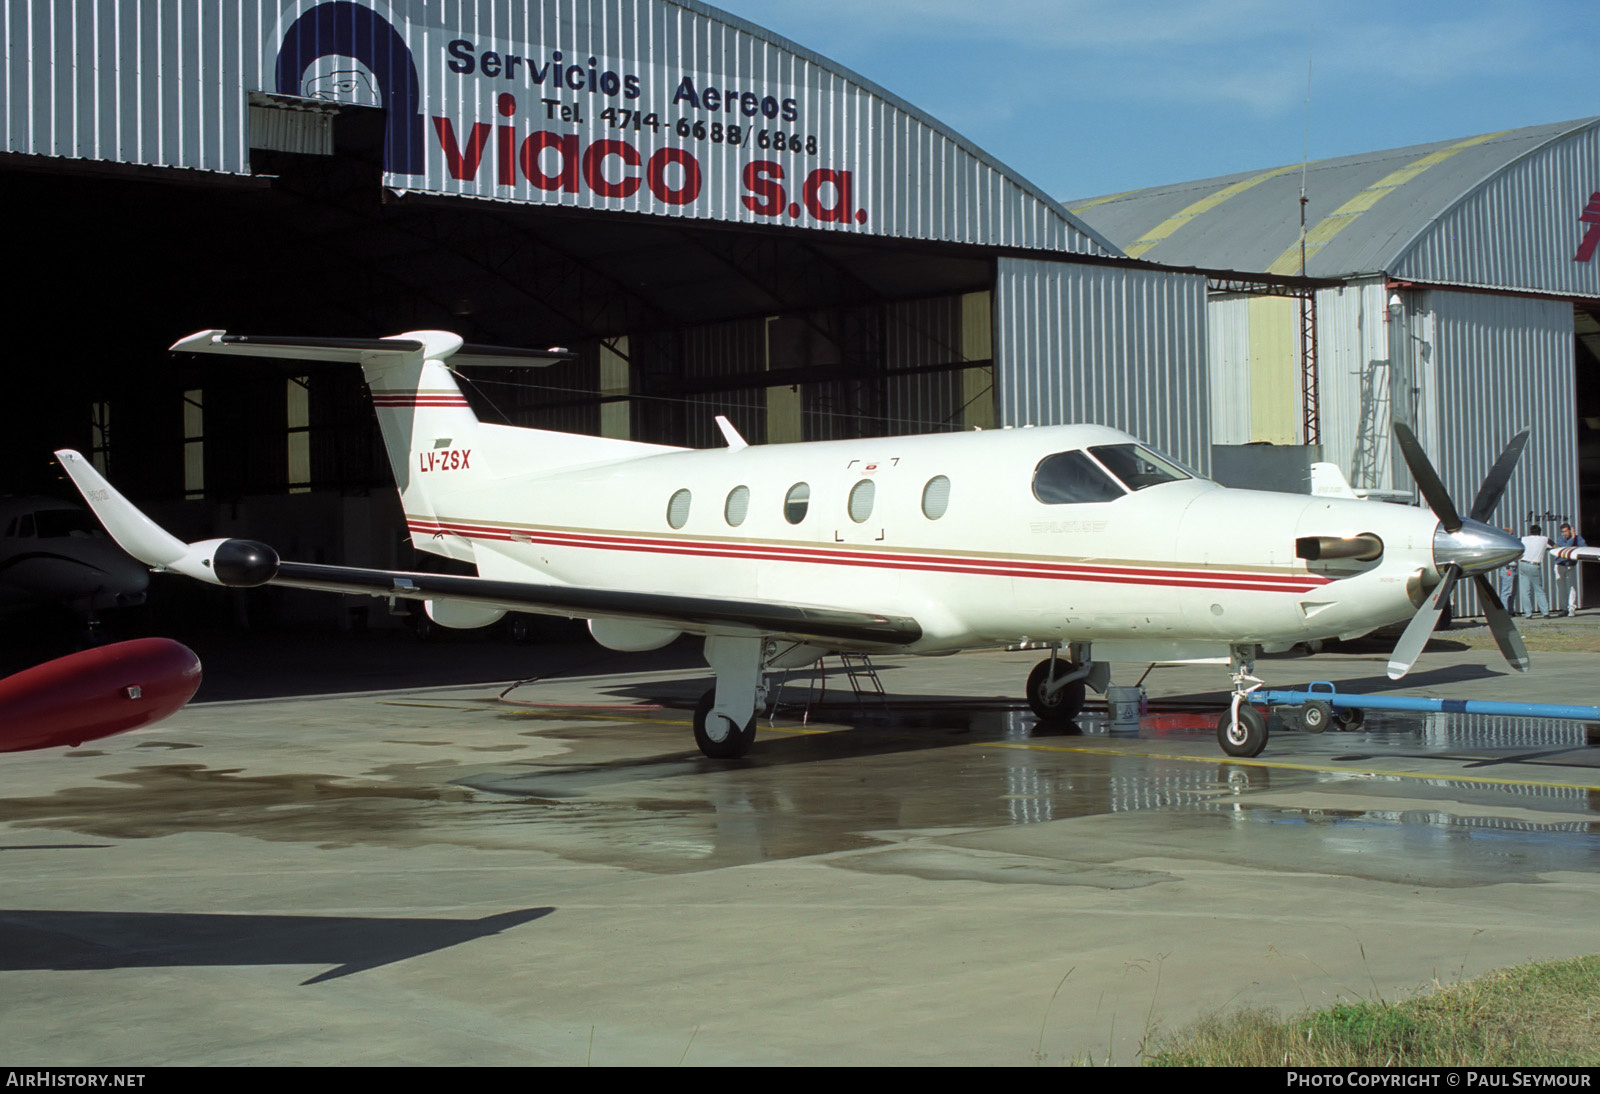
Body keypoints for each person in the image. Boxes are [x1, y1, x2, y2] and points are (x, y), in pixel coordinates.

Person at [1519, 523, 1552, 618]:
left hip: (1523, 563)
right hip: (1534, 565)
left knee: (1525, 591)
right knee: (1539, 590)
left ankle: (1528, 614)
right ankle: (1545, 612)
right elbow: (1555, 546)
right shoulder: (1545, 539)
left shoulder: (1523, 539)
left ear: (1530, 532)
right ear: (1540, 532)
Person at [1554, 522, 1586, 616]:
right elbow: (1566, 548)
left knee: (1571, 587)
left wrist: (1574, 538)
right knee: (1561, 588)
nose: (1564, 534)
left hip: (1570, 565)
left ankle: (1571, 608)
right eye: (1563, 532)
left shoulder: (1578, 538)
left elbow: (1583, 547)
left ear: (1570, 530)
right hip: (1560, 565)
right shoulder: (1560, 539)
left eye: (1566, 531)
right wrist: (1572, 539)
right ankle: (1564, 608)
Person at [1499, 526, 1519, 612]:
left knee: (1513, 591)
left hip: (1514, 568)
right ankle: (1505, 610)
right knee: (1506, 591)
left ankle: (1510, 609)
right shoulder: (1503, 545)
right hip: (1507, 569)